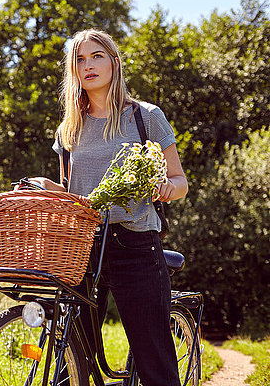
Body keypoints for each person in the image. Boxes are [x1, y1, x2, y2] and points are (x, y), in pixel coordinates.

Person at [25, 29, 189, 386]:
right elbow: (71, 192)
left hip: (135, 245)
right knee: (71, 359)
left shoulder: (144, 117)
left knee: (154, 362)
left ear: (114, 62)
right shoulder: (70, 128)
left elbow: (181, 182)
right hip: (83, 247)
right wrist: (41, 188)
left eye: (96, 56)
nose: (88, 66)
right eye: (80, 60)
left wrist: (164, 188)